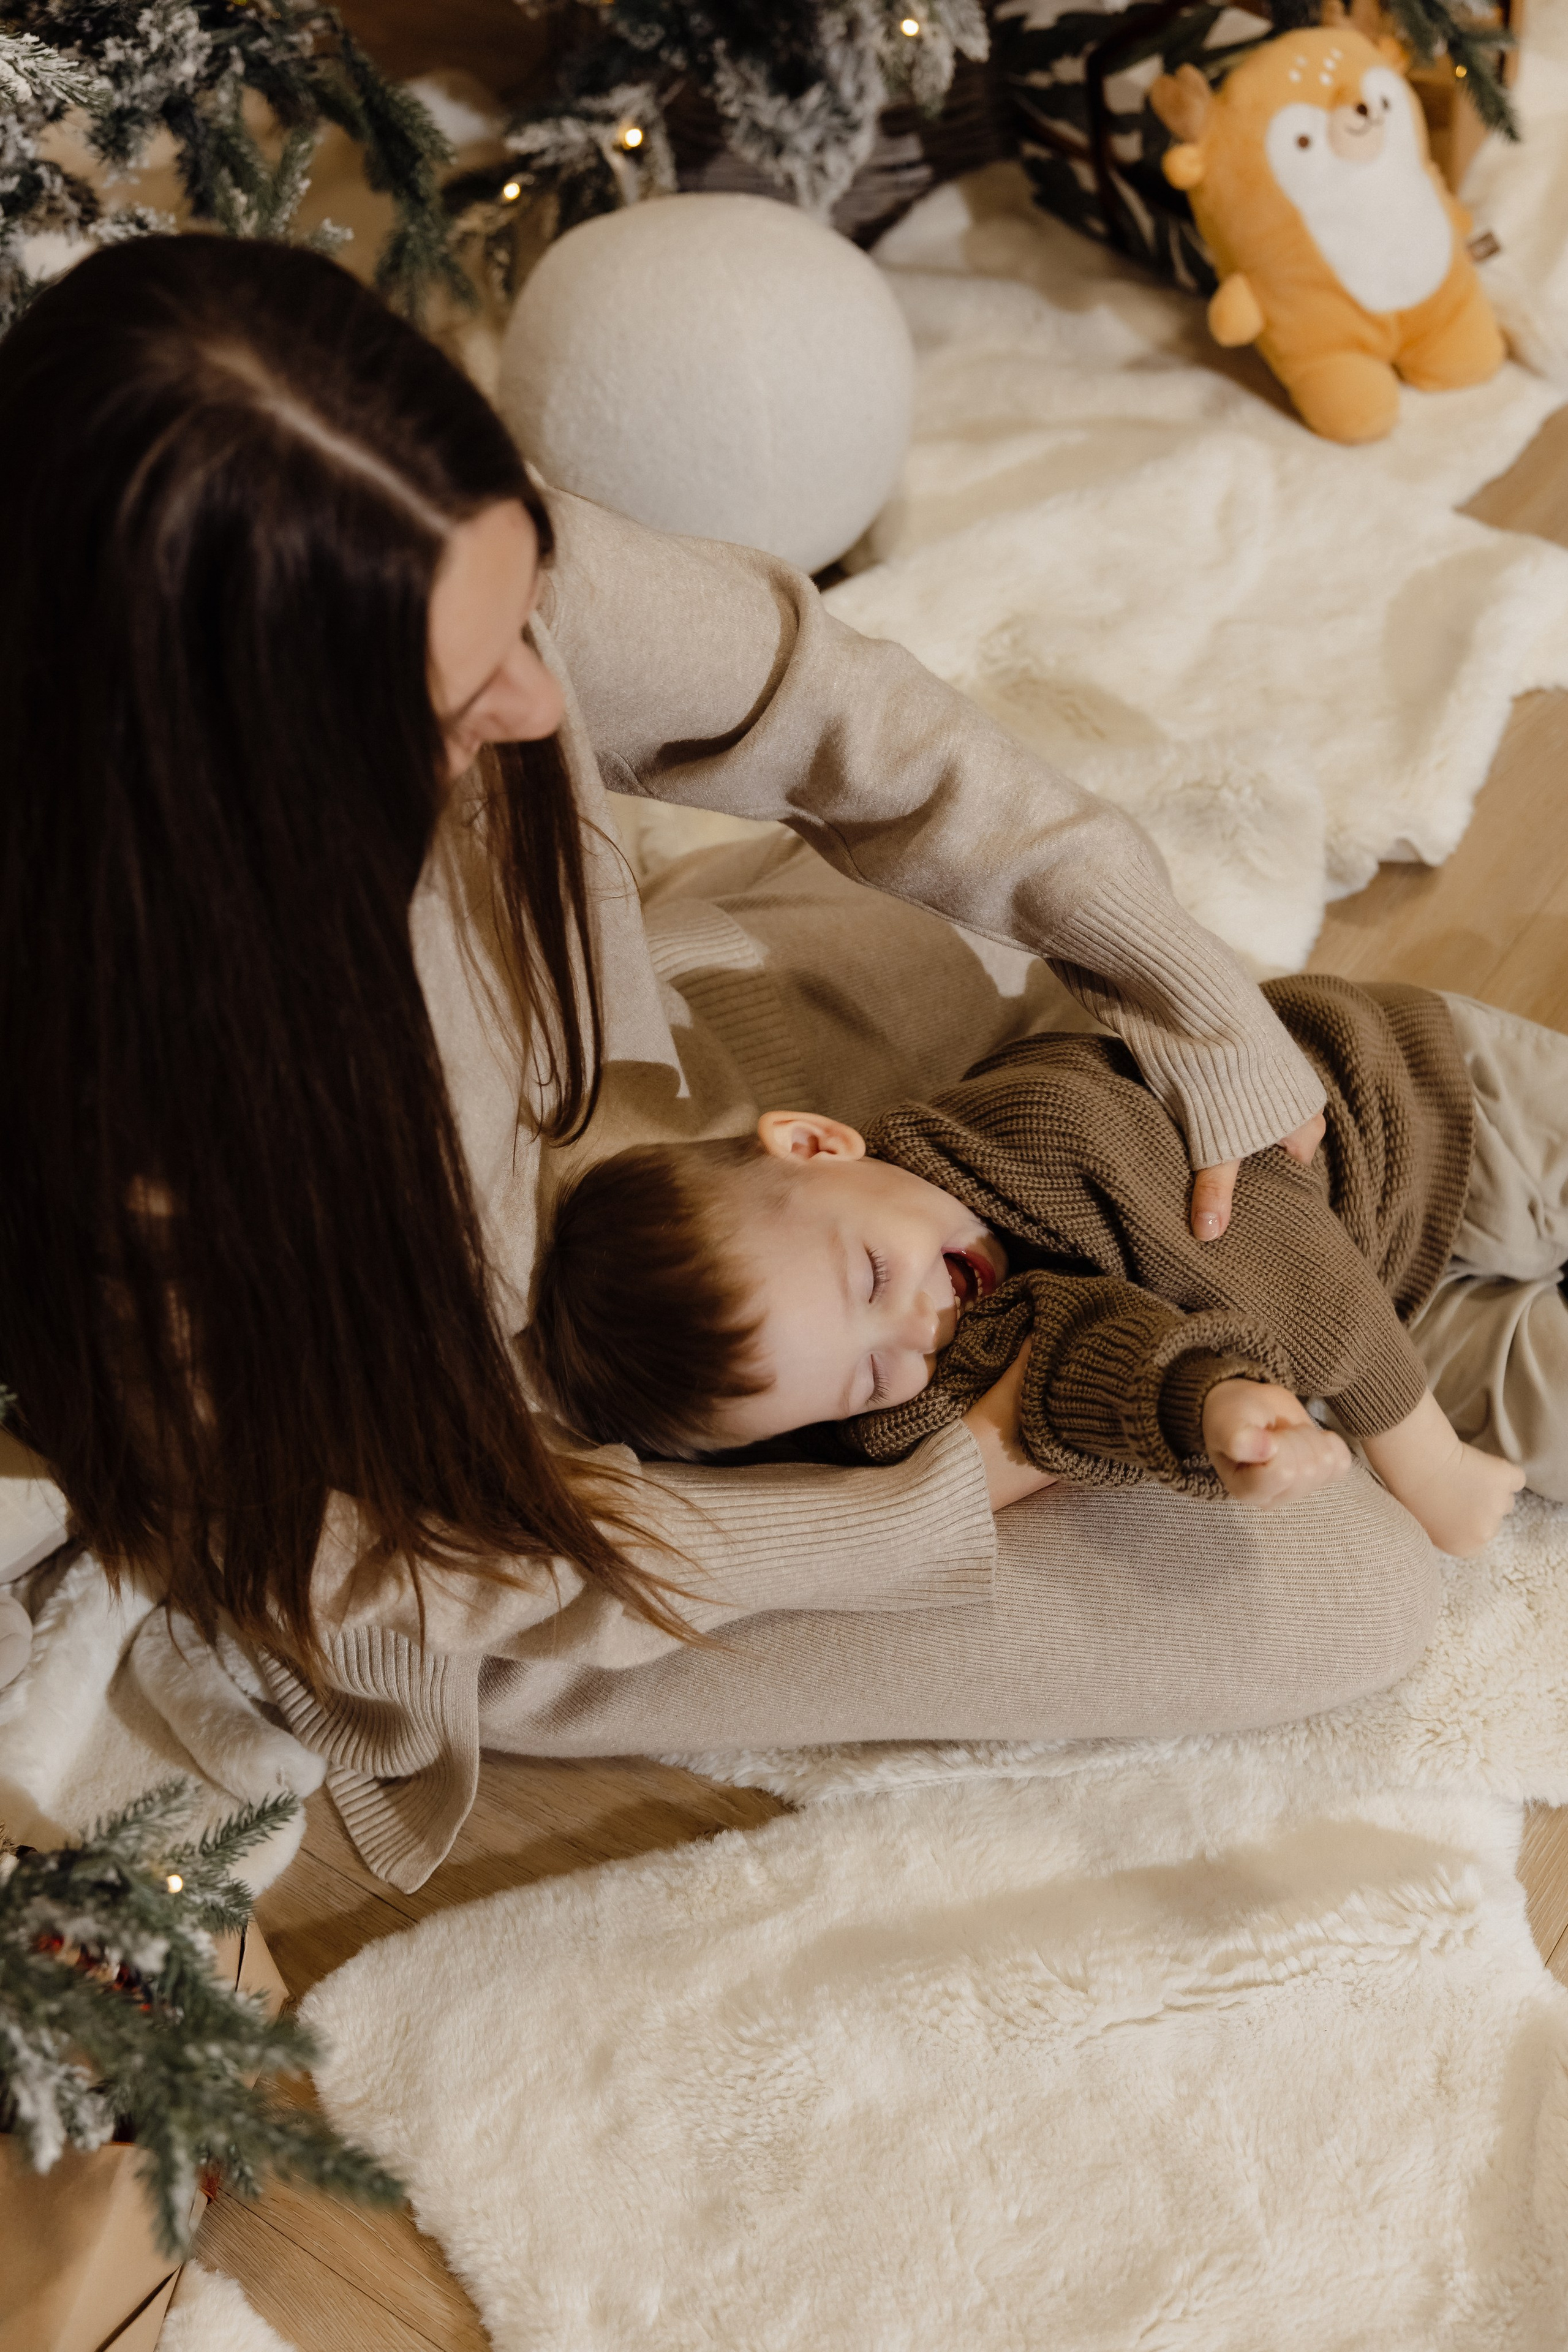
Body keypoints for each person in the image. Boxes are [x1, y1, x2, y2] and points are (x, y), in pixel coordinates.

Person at [0, 236, 1438, 1895]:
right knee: (1340, 1593)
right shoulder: (153, 1132)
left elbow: (821, 700)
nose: (547, 704)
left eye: (529, 606)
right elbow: (390, 1574)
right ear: (232, 764)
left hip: (571, 1167)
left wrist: (1189, 990)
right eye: (466, 698)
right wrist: (922, 1503)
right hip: (497, 1512)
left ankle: (1302, 1263)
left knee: (943, 947)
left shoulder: (415, 543)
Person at [531, 974, 1555, 1562]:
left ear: (816, 1145)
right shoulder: (901, 1398)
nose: (920, 1328)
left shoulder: (1046, 1131)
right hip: (1400, 1315)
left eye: (877, 1278)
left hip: (1404, 1117)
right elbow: (1084, 1382)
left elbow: (1284, 1267)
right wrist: (1204, 1411)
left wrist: (1425, 1464)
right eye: (870, 1375)